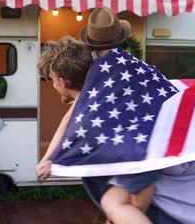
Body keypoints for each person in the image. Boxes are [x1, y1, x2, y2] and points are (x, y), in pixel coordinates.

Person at [39, 8, 195, 224]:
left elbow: (69, 119)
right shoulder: (137, 66)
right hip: (156, 140)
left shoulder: (99, 81)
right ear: (122, 37)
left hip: (138, 151)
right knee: (124, 204)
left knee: (118, 204)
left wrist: (50, 158)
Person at [37, 36, 155, 224]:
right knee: (116, 208)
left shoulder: (88, 121)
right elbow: (67, 118)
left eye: (51, 80)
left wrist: (52, 160)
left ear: (63, 82)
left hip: (141, 162)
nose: (52, 85)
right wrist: (48, 157)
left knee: (120, 206)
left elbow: (71, 124)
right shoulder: (101, 87)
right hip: (146, 153)